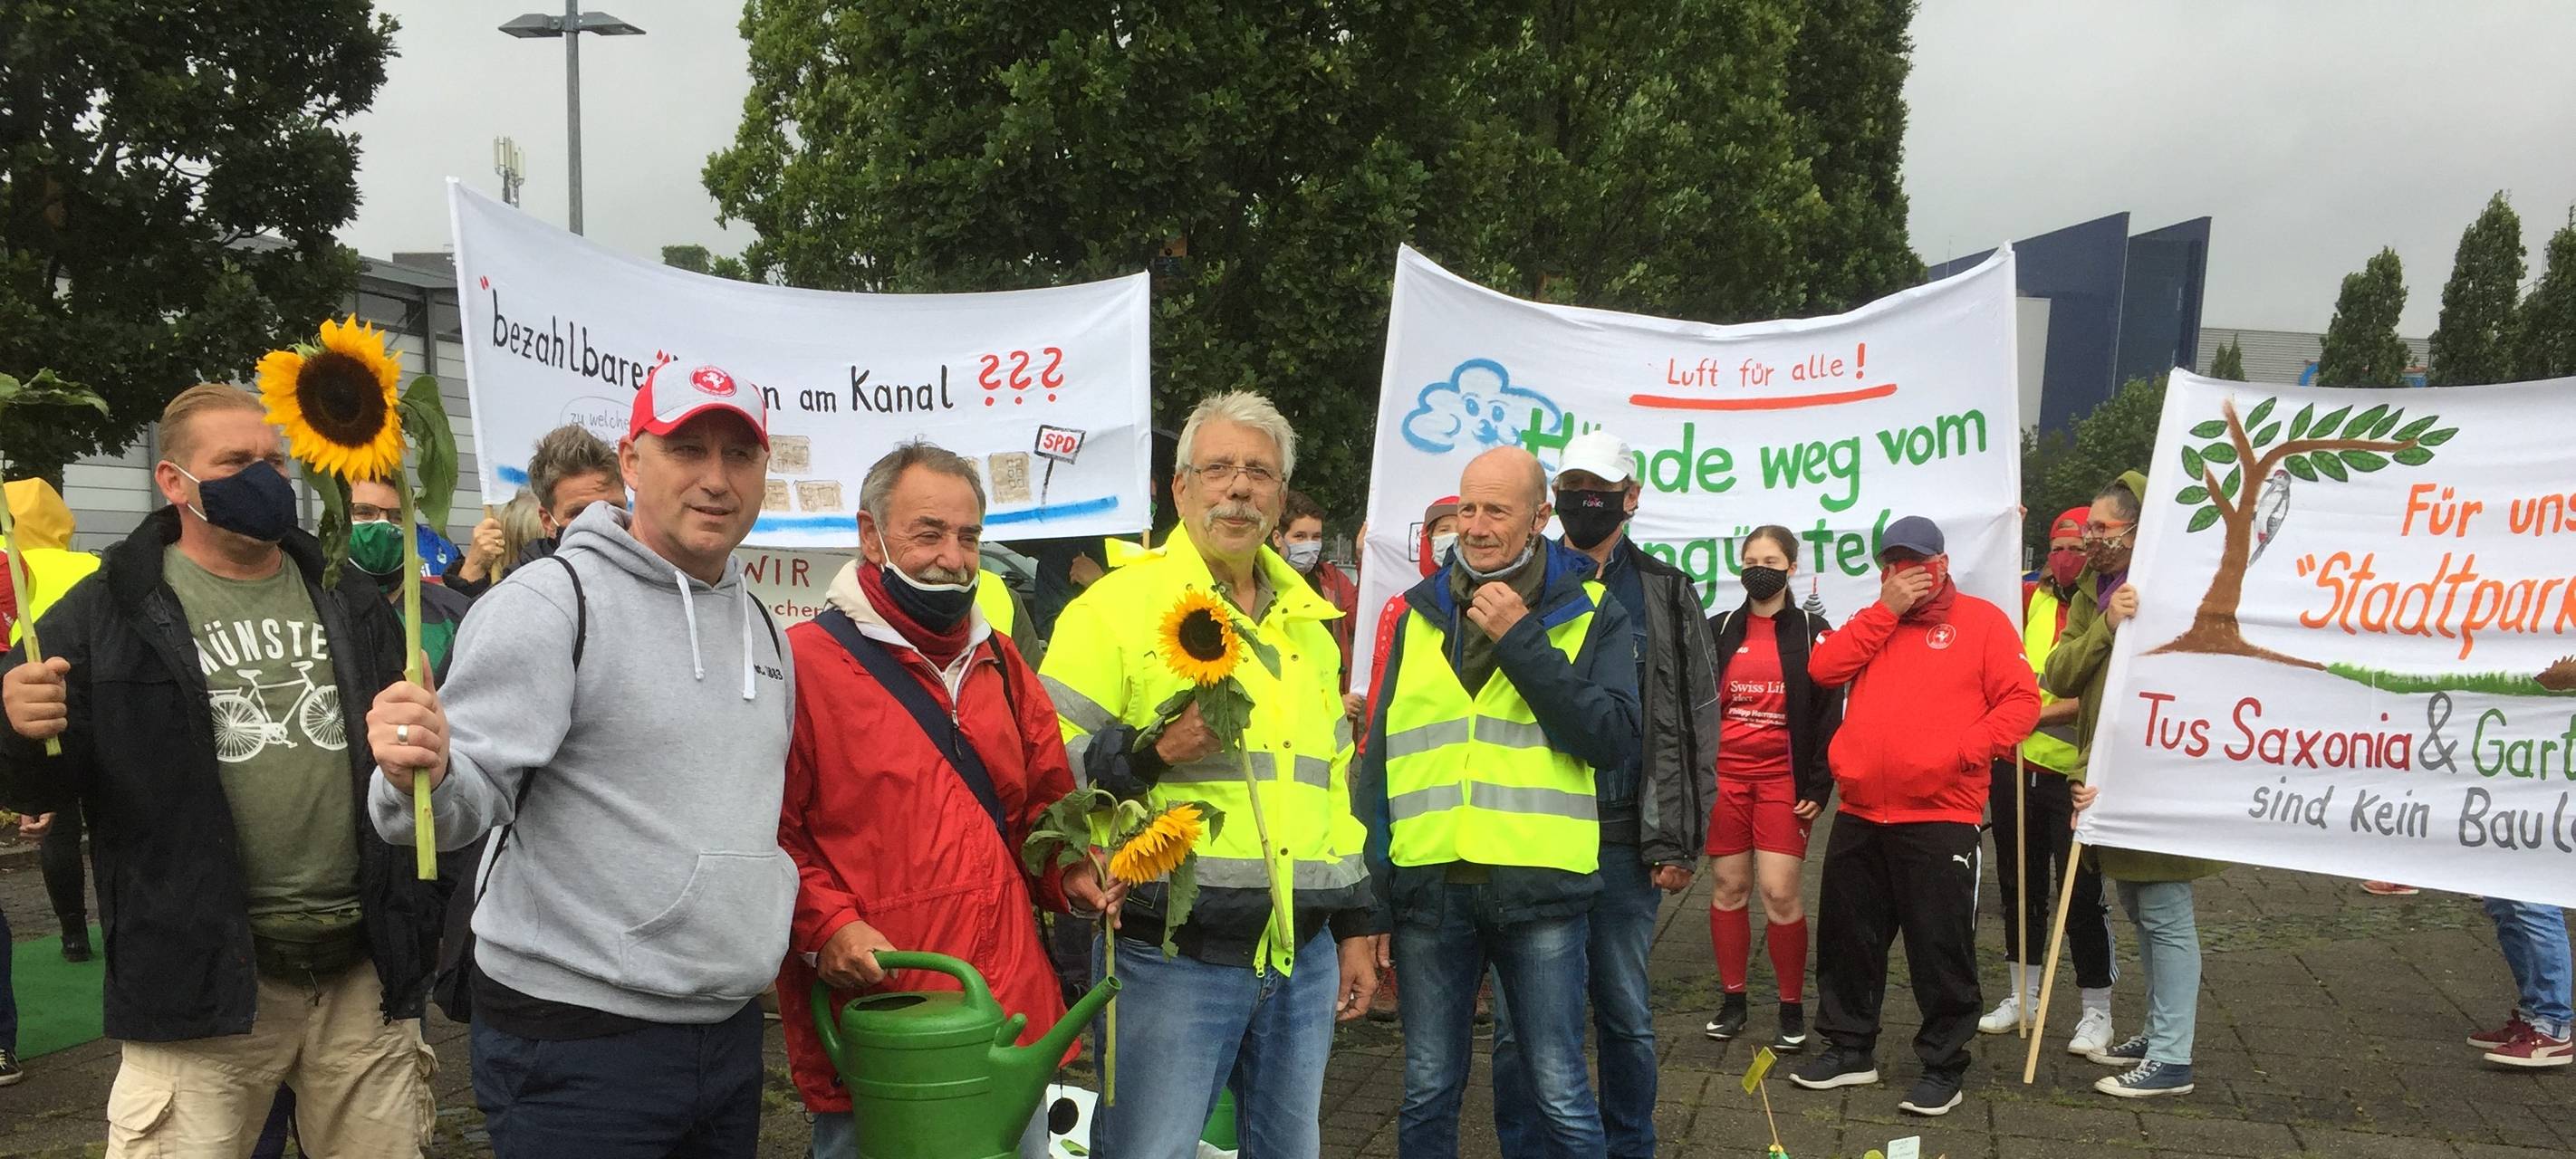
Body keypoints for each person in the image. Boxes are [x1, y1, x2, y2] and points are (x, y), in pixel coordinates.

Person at [366, 362, 794, 1157]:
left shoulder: (764, 629)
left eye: (739, 455)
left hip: (724, 1032)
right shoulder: (551, 602)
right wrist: (413, 771)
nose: (715, 479)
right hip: (575, 1044)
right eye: (686, 450)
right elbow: (456, 803)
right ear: (631, 464)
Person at [0, 383, 441, 1154]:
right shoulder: (108, 608)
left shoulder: (347, 595)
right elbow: (36, 788)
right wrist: (14, 729)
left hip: (359, 974)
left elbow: (405, 764)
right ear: (174, 481)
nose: (264, 478)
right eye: (236, 462)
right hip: (200, 978)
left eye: (273, 460)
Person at [1039, 391, 1379, 1159]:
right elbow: (1046, 774)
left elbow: (1330, 788)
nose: (1239, 487)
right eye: (1218, 467)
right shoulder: (1114, 609)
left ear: (1281, 496)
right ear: (1179, 488)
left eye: (1259, 472)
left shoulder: (1309, 626)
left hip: (1300, 955)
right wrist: (1151, 753)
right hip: (1168, 956)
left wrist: (1356, 926)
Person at [778, 442, 1118, 1158]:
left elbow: (1044, 810)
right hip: (888, 1020)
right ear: (871, 538)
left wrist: (1073, 873)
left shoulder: (1002, 662)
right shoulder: (804, 665)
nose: (952, 558)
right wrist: (827, 926)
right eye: (927, 533)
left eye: (967, 538)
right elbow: (770, 834)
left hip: (1004, 1021)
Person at [1357, 445, 1642, 1156]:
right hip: (1432, 890)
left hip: (1541, 888)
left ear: (1540, 518)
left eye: (1496, 511)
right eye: (1466, 509)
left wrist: (1521, 638)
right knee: (1425, 1090)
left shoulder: (1592, 609)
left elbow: (1611, 740)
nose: (1476, 527)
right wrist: (1372, 901)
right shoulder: (1417, 612)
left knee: (1559, 1090)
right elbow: (1381, 763)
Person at [1489, 430, 1714, 1159]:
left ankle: (1630, 1147)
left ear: (1630, 497)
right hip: (1530, 837)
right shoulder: (1512, 584)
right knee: (1519, 1025)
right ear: (1551, 501)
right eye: (1573, 487)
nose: (1587, 501)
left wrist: (1679, 837)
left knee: (1624, 1016)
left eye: (1602, 488)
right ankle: (1527, 1148)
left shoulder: (1665, 590)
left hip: (1621, 839)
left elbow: (1691, 718)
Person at [1788, 515, 2038, 1118]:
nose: (1908, 573)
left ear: (1944, 564)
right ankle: (1850, 1049)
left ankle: (1943, 1064)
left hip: (1941, 815)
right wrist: (1884, 612)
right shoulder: (1874, 622)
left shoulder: (1982, 623)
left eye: (1918, 562)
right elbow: (1823, 671)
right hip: (1862, 810)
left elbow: (2023, 700)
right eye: (1896, 562)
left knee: (1939, 945)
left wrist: (1965, 752)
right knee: (1849, 941)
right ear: (1884, 569)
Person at [2054, 472, 2225, 1099]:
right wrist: (2106, 623)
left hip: (2159, 777)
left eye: (2102, 527)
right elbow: (2061, 669)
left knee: (2166, 912)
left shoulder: (2173, 588)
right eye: (2088, 527)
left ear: (2136, 527)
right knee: (2139, 909)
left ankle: (2173, 1058)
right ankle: (2158, 1035)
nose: (2090, 537)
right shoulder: (2090, 594)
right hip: (2109, 777)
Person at [1978, 507, 2119, 1057]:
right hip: (2015, 768)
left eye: (2077, 548)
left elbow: (2105, 689)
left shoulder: (2101, 606)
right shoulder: (2028, 598)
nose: (2064, 558)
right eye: (2056, 546)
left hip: (2075, 774)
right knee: (2019, 888)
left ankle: (2096, 1010)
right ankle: (2022, 994)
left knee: (2081, 895)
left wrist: (2039, 715)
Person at [1703, 524, 1841, 1054]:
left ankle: (1790, 1006)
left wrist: (1820, 782)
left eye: (1771, 559)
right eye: (1751, 559)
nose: (1760, 567)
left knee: (1780, 893)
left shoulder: (1812, 629)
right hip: (1726, 779)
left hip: (1785, 780)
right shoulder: (1718, 629)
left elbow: (1831, 710)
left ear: (1791, 567)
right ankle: (1732, 1000)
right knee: (1728, 889)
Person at [1, 479, 102, 963]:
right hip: (95, 703)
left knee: (56, 825)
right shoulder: (93, 566)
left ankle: (73, 934)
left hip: (36, 701)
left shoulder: (9, 568)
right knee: (113, 822)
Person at [446, 422, 626, 596]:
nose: (601, 521)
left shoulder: (650, 562)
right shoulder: (523, 588)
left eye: (613, 507)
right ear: (548, 521)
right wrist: (471, 574)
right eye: (579, 513)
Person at [1274, 488, 1360, 688]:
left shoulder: (1332, 581)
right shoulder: (1261, 583)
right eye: (1300, 536)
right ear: (1278, 538)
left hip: (1337, 699)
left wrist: (1364, 557)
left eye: (1316, 537)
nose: (1310, 545)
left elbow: (1362, 618)